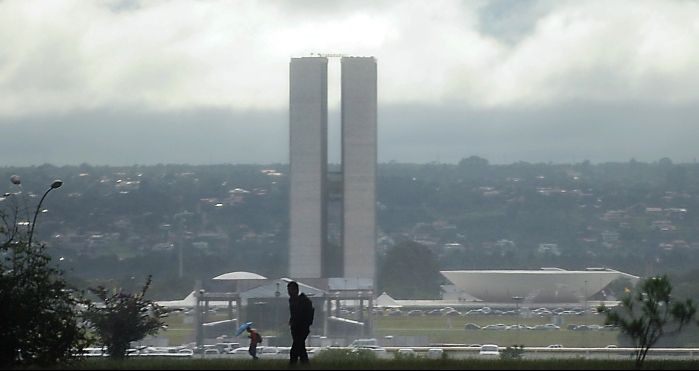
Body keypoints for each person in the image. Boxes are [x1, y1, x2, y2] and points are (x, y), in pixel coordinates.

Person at [287, 280, 314, 365]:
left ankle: (292, 366)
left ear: (296, 290)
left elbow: (308, 314)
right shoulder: (292, 300)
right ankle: (305, 365)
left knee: (295, 350)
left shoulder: (304, 301)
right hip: (295, 328)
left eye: (290, 290)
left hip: (302, 328)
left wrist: (305, 324)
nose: (289, 292)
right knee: (301, 350)